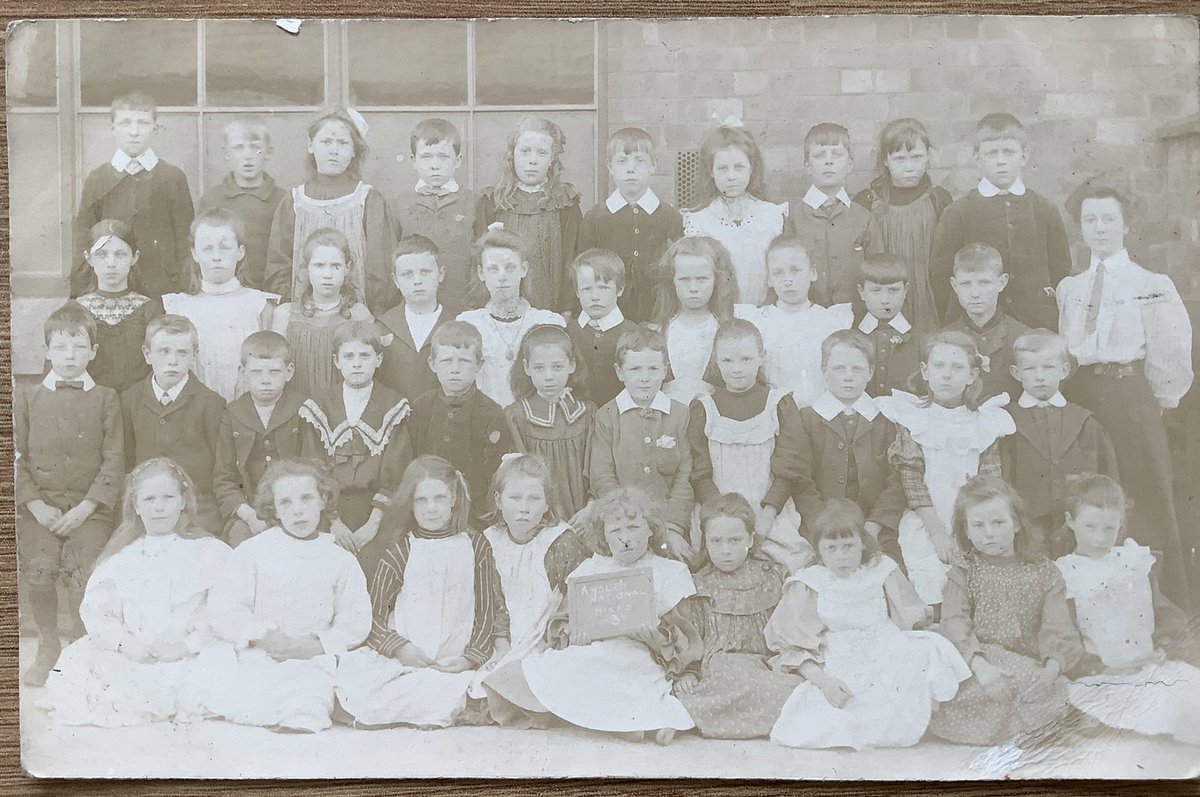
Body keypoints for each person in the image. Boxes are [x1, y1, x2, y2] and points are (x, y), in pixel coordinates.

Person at [1057, 183, 1194, 608]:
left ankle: (1160, 604)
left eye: (1108, 219)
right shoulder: (1070, 288)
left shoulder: (1151, 284)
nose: (1099, 229)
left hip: (1128, 395)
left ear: (1125, 225)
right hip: (1082, 396)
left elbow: (1171, 349)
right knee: (1088, 493)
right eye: (1090, 220)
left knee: (1142, 494)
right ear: (1080, 227)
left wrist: (1155, 402)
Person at [484, 487, 701, 744]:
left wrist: (654, 639)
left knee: (627, 674)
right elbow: (565, 619)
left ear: (651, 529)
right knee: (553, 669)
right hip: (592, 647)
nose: (625, 538)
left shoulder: (669, 571)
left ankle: (643, 721)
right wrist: (574, 634)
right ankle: (620, 723)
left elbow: (685, 635)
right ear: (604, 537)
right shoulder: (592, 567)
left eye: (633, 528)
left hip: (642, 653)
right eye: (616, 531)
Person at [766, 500, 970, 749]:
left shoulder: (881, 569)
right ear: (819, 549)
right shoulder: (810, 583)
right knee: (845, 715)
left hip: (887, 643)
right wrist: (824, 681)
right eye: (832, 548)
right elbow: (793, 643)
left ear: (862, 542)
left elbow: (909, 617)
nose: (841, 556)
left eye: (849, 546)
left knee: (929, 650)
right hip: (842, 652)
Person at [44, 459, 231, 726]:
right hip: (136, 652)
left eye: (168, 497)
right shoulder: (121, 559)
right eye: (149, 499)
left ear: (182, 501)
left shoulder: (210, 552)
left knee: (223, 670)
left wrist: (184, 647)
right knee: (82, 669)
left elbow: (222, 610)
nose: (158, 507)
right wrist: (127, 644)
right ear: (136, 506)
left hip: (188, 651)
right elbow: (99, 615)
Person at [334, 456, 509, 728]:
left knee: (468, 687)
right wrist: (400, 648)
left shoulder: (476, 545)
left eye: (439, 498)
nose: (431, 509)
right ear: (411, 503)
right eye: (421, 501)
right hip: (407, 658)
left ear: (453, 497)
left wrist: (468, 658)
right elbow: (374, 617)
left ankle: (431, 701)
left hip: (453, 662)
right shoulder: (401, 550)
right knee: (356, 677)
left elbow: (487, 610)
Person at [200, 458, 371, 733]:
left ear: (323, 501)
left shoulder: (341, 560)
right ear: (274, 510)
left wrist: (314, 645)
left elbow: (355, 622)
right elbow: (225, 608)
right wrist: (262, 635)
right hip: (261, 652)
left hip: (312, 657)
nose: (298, 511)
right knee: (227, 683)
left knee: (309, 697)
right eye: (286, 503)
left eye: (306, 499)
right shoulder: (253, 551)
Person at [16, 303, 125, 686]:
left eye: (79, 348)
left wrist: (86, 508)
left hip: (88, 511)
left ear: (93, 352)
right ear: (46, 350)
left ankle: (82, 646)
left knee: (83, 575)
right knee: (40, 569)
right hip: (39, 511)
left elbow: (114, 462)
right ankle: (48, 644)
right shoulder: (27, 397)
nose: (69, 356)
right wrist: (35, 505)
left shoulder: (107, 398)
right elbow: (14, 456)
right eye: (60, 348)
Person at [929, 476, 1083, 746]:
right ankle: (1037, 726)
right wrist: (983, 668)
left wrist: (1051, 669)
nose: (989, 533)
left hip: (1030, 664)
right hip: (977, 665)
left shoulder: (1044, 571)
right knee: (1018, 686)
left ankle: (1035, 725)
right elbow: (955, 625)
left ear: (1017, 524)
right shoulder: (963, 571)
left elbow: (1058, 626)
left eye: (998, 522)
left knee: (1046, 685)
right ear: (965, 531)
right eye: (978, 525)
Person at [1055, 475, 1200, 746]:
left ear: (1120, 524)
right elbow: (1061, 632)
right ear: (1070, 521)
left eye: (1109, 529)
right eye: (1090, 527)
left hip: (1148, 666)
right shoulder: (1066, 573)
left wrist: (1164, 646)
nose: (1100, 538)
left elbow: (1163, 611)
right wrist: (1095, 668)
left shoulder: (1132, 562)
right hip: (1101, 675)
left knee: (1189, 698)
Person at [875, 331, 1015, 606]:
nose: (947, 375)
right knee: (928, 574)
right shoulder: (913, 416)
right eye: (939, 367)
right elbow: (912, 481)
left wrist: (969, 530)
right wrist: (938, 533)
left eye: (957, 367)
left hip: (971, 519)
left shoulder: (985, 422)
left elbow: (988, 484)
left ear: (972, 375)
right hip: (927, 518)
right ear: (925, 372)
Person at [765, 329, 906, 564]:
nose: (848, 376)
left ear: (870, 372)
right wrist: (822, 525)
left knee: (884, 570)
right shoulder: (808, 419)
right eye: (839, 369)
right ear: (824, 371)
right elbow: (802, 481)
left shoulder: (886, 420)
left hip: (876, 529)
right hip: (820, 530)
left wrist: (874, 525)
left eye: (857, 369)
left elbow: (896, 480)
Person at [672, 494, 801, 739]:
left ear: (751, 539)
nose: (726, 550)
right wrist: (687, 672)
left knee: (794, 690)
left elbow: (788, 628)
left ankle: (692, 717)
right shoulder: (698, 585)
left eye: (734, 540)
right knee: (709, 686)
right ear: (706, 542)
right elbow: (691, 635)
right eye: (716, 541)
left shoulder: (772, 577)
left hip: (764, 664)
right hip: (721, 667)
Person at [687, 320, 811, 573]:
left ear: (761, 357)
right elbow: (699, 472)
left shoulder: (779, 404)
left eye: (745, 359)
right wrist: (722, 520)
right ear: (717, 361)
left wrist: (767, 515)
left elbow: (790, 467)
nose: (736, 369)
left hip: (770, 514)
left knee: (790, 565)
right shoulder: (704, 408)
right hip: (717, 516)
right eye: (727, 361)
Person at [475, 454, 591, 718]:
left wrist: (557, 639)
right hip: (503, 639)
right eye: (515, 499)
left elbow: (577, 601)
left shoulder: (560, 541)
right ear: (498, 501)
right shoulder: (490, 541)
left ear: (547, 503)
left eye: (534, 499)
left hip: (548, 640)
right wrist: (501, 643)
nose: (524, 508)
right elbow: (492, 600)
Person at [930, 113, 1071, 329]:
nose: (1001, 161)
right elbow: (941, 277)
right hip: (977, 326)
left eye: (1009, 152)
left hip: (1036, 325)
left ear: (1024, 156)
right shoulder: (958, 213)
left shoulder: (1044, 209)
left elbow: (1060, 269)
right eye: (992, 153)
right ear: (977, 158)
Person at [298, 320, 414, 574]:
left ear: (378, 359)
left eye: (365, 355)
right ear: (337, 361)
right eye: (348, 356)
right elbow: (312, 469)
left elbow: (396, 472)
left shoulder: (392, 404)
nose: (357, 363)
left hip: (377, 511)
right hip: (328, 511)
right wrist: (334, 522)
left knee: (375, 563)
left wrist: (373, 525)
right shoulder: (319, 404)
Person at [264, 108, 395, 314]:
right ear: (311, 146)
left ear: (354, 151)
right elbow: (278, 264)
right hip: (304, 314)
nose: (334, 150)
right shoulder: (294, 201)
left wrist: (373, 312)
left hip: (356, 315)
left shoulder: (368, 199)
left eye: (343, 143)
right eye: (326, 142)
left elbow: (381, 267)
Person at [1000, 330, 1118, 557]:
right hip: (1028, 530)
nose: (1040, 376)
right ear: (1016, 373)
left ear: (1064, 370)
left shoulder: (1085, 422)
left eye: (1048, 367)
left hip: (1079, 531)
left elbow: (1108, 478)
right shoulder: (1006, 422)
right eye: (1030, 369)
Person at [589, 326, 696, 565]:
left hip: (670, 524)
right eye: (635, 369)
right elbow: (602, 477)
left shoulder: (679, 414)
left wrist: (672, 527)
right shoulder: (607, 417)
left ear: (665, 370)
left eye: (653, 369)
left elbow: (685, 476)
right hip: (622, 525)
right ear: (620, 372)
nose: (645, 378)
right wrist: (628, 523)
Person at [72, 92, 193, 299]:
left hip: (163, 287)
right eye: (126, 123)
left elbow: (185, 239)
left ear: (155, 127)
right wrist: (80, 293)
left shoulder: (172, 177)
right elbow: (84, 238)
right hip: (113, 287)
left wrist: (185, 288)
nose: (134, 132)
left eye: (143, 123)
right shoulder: (98, 179)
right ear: (113, 128)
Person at [121, 314, 226, 537]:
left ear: (194, 356)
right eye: (164, 351)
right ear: (147, 354)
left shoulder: (211, 404)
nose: (173, 361)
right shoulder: (130, 400)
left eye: (182, 353)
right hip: (144, 511)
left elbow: (219, 470)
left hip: (197, 510)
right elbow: (126, 460)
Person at [162, 208, 279, 402]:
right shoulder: (178, 307)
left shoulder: (259, 305)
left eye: (224, 247)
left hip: (246, 409)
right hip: (194, 410)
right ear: (194, 253)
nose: (216, 256)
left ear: (240, 251)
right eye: (207, 248)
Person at [409, 321, 512, 527]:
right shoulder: (422, 407)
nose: (455, 369)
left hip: (475, 514)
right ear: (432, 364)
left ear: (479, 365)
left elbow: (493, 473)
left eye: (464, 361)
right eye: (447, 361)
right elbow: (413, 460)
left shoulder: (491, 413)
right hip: (429, 511)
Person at [854, 117, 953, 330]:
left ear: (928, 155)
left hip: (929, 298)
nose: (909, 167)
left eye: (916, 157)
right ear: (885, 161)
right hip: (883, 297)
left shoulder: (939, 200)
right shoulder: (867, 202)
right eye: (900, 159)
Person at [475, 116, 582, 314]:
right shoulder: (493, 201)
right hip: (501, 304)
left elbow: (571, 257)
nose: (532, 160)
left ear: (552, 160)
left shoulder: (565, 203)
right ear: (512, 155)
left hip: (551, 303)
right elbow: (481, 259)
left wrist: (567, 309)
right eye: (525, 151)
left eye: (541, 153)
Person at [579, 127, 683, 322]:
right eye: (622, 161)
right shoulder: (596, 218)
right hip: (609, 319)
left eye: (640, 160)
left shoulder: (670, 218)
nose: (631, 168)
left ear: (654, 165)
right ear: (609, 166)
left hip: (658, 317)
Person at [735, 233, 853, 405]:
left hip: (822, 416)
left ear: (812, 273)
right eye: (778, 273)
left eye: (795, 270)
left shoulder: (831, 321)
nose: (787, 280)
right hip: (775, 417)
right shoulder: (758, 321)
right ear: (769, 279)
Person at [681, 118, 787, 307]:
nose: (731, 176)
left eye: (739, 167)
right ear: (711, 171)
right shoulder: (699, 222)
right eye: (722, 168)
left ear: (751, 168)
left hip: (763, 314)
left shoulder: (771, 216)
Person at [213, 332, 306, 546]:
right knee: (241, 544)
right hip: (249, 512)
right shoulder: (232, 413)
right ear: (243, 373)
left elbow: (312, 468)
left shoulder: (302, 409)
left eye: (274, 372)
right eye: (256, 372)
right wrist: (248, 515)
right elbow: (223, 478)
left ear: (289, 372)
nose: (265, 380)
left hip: (297, 509)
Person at [457, 226, 566, 407]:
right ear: (481, 273)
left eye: (509, 267)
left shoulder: (547, 323)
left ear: (523, 269)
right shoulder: (468, 324)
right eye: (493, 269)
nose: (502, 277)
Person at [269, 228, 373, 397]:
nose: (327, 274)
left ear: (347, 268)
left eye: (336, 266)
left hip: (342, 407)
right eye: (319, 265)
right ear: (306, 268)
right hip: (297, 406)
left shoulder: (357, 314)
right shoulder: (285, 315)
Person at [505, 325, 595, 520]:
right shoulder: (517, 415)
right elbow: (520, 475)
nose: (548, 376)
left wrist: (591, 506)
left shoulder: (587, 413)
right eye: (539, 367)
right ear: (527, 368)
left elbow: (595, 466)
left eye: (557, 367)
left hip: (584, 514)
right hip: (538, 514)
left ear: (572, 365)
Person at [389, 119, 479, 305]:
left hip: (462, 303)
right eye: (427, 157)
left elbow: (481, 259)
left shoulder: (475, 203)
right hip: (413, 305)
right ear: (414, 161)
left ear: (458, 161)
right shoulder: (398, 205)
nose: (435, 165)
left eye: (443, 157)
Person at [787, 122, 872, 309]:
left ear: (850, 164)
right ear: (807, 165)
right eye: (819, 155)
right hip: (807, 316)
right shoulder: (791, 216)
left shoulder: (864, 217)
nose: (828, 161)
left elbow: (875, 273)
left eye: (837, 154)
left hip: (855, 317)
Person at [73, 219, 163, 392]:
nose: (111, 263)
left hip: (137, 407)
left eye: (120, 254)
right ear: (89, 258)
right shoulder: (75, 310)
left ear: (134, 257)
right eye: (101, 254)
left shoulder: (150, 310)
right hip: (91, 406)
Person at [196, 119, 285, 290]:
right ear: (226, 153)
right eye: (238, 148)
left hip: (270, 291)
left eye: (255, 147)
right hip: (222, 290)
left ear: (268, 152)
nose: (247, 156)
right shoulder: (212, 199)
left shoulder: (283, 200)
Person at [651, 236, 737, 404]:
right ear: (672, 281)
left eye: (702, 279)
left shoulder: (728, 330)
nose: (693, 288)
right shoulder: (657, 331)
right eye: (684, 279)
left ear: (717, 281)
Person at [942, 243, 1030, 402]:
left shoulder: (1023, 337)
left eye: (984, 283)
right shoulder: (943, 339)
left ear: (1002, 283)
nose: (975, 293)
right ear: (954, 285)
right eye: (965, 284)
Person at [376, 235, 459, 401]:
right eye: (407, 274)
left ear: (441, 274)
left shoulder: (456, 326)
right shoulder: (383, 326)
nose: (417, 281)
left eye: (425, 272)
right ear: (396, 280)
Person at [565, 248, 640, 406]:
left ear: (620, 289)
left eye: (603, 288)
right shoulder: (568, 331)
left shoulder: (632, 332)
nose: (595, 297)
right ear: (577, 292)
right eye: (586, 289)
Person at [854, 254, 923, 398]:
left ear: (905, 291)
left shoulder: (919, 340)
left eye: (893, 290)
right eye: (876, 290)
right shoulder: (852, 337)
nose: (885, 300)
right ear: (861, 292)